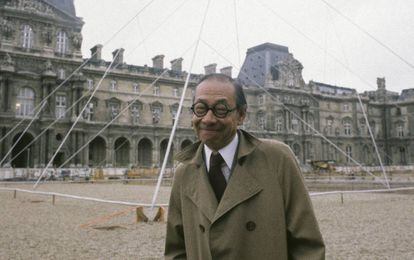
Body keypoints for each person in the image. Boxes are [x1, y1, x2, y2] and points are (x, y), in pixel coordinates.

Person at [165, 73, 325, 259]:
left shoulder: (277, 159)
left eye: (221, 109)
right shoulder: (184, 172)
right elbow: (176, 250)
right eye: (200, 109)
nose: (208, 119)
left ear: (241, 115)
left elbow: (308, 247)